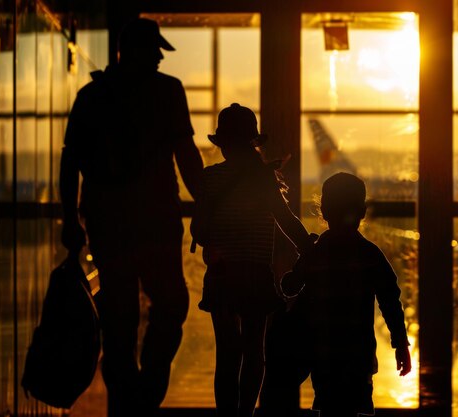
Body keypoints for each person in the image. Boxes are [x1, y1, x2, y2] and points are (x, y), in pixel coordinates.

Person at [59, 18, 204, 417]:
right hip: (157, 220)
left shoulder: (93, 97)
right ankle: (146, 389)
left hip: (110, 224)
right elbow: (186, 157)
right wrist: (209, 201)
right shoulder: (168, 92)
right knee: (170, 305)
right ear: (133, 50)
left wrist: (71, 220)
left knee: (119, 318)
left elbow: (70, 162)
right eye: (154, 49)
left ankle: (128, 401)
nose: (159, 56)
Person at [191, 102, 315, 417]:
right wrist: (308, 247)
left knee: (227, 354)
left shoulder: (210, 179)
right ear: (252, 142)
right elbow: (285, 219)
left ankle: (227, 416)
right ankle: (246, 413)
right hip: (256, 275)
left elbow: (200, 232)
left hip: (221, 275)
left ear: (222, 145)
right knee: (254, 351)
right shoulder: (264, 178)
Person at [279, 172, 412, 417]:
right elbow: (390, 300)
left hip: (323, 352)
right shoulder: (370, 254)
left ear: (324, 211)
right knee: (353, 409)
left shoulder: (316, 253)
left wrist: (301, 255)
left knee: (329, 408)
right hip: (358, 354)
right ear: (362, 211)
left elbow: (290, 287)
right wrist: (400, 343)